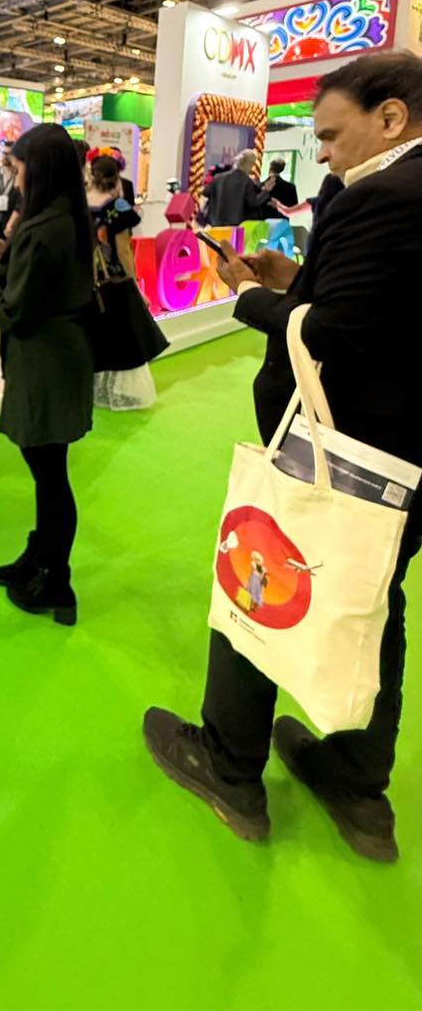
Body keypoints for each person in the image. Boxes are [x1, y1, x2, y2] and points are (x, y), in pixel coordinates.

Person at [143, 52, 422, 862]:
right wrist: (296, 282)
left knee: (258, 573)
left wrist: (253, 298)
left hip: (347, 442)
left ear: (391, 117)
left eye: (331, 135)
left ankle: (228, 765)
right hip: (404, 452)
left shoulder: (386, 196)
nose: (322, 154)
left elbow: (333, 334)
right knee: (375, 598)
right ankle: (358, 785)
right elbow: (382, 313)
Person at [0, 125, 94, 622]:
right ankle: (41, 557)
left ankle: (56, 580)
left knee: (50, 475)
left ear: (36, 169)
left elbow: (13, 312)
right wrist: (7, 261)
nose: (15, 181)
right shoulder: (66, 217)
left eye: (18, 169)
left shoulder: (44, 229)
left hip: (44, 361)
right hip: (59, 355)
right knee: (49, 471)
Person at [86, 154, 157, 412]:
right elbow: (123, 248)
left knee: (94, 334)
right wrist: (135, 284)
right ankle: (118, 393)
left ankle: (93, 389)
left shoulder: (79, 203)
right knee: (123, 337)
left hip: (85, 278)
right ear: (116, 179)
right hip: (113, 279)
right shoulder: (117, 207)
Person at [202, 149, 267, 226]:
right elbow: (252, 203)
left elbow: (205, 192)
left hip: (216, 223)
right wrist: (266, 191)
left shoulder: (218, 177)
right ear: (250, 164)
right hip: (235, 225)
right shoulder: (247, 181)